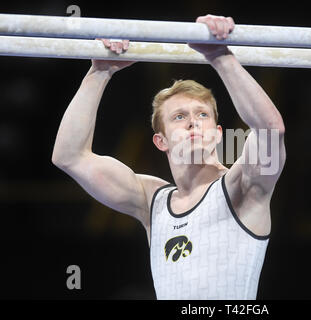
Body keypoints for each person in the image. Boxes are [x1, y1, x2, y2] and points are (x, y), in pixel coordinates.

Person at [51, 14, 286, 300]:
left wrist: (220, 57)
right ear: (160, 141)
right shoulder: (152, 202)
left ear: (218, 133)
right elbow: (69, 156)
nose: (193, 122)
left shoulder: (242, 186)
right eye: (179, 116)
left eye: (202, 115)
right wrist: (99, 73)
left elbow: (270, 130)